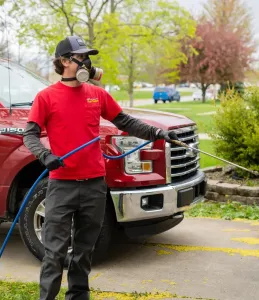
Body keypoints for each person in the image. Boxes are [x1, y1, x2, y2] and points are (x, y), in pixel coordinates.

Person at [23, 35, 179, 300]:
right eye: (81, 57)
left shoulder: (97, 95)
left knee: (84, 250)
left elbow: (126, 121)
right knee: (55, 252)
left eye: (87, 57)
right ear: (64, 61)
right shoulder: (46, 97)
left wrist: (156, 132)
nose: (86, 62)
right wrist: (44, 155)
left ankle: (78, 296)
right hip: (62, 186)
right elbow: (30, 135)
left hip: (95, 185)